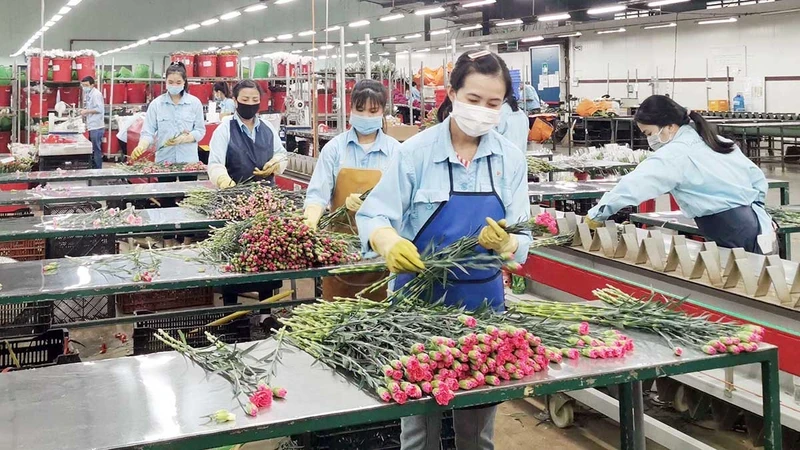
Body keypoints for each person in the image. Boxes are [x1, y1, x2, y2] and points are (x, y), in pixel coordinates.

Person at [356, 50, 532, 450]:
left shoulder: (509, 158)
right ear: (451, 94)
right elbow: (373, 215)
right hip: (419, 303)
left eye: (493, 104)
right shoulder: (415, 153)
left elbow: (524, 233)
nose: (482, 111)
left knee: (477, 424)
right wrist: (388, 240)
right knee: (419, 425)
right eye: (473, 100)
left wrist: (509, 242)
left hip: (482, 305)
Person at [585, 94, 775, 254]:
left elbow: (632, 186)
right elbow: (756, 178)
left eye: (648, 132)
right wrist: (756, 208)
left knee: (741, 288)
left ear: (670, 126)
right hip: (756, 223)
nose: (649, 139)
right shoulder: (716, 140)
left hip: (730, 231)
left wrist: (597, 214)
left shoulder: (674, 155)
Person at [304, 79, 400, 300]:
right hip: (340, 248)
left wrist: (376, 204)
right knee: (337, 316)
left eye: (373, 110)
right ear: (351, 109)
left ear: (383, 111)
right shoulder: (334, 149)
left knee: (378, 318)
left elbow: (402, 200)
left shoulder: (396, 152)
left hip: (379, 251)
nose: (366, 116)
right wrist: (310, 219)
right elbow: (317, 194)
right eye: (360, 109)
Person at [207, 79, 288, 305]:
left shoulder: (268, 129)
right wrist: (225, 181)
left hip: (265, 202)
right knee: (235, 254)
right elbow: (214, 164)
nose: (250, 104)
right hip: (235, 202)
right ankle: (231, 311)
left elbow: (282, 155)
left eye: (255, 100)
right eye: (245, 100)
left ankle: (265, 313)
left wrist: (275, 164)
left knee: (266, 255)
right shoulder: (225, 129)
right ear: (235, 101)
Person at [131, 62, 205, 163]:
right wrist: (141, 146)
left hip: (188, 161)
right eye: (170, 82)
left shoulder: (194, 103)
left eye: (178, 83)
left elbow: (200, 130)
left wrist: (185, 138)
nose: (174, 85)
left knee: (189, 180)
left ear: (184, 82)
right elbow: (148, 132)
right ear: (165, 81)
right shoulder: (156, 104)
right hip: (164, 160)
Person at [80, 76, 105, 169]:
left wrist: (86, 111)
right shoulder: (89, 93)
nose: (84, 87)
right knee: (93, 149)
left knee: (96, 149)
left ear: (92, 85)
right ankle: (94, 168)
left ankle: (98, 170)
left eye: (86, 85)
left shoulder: (96, 94)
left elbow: (99, 109)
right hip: (92, 126)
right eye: (83, 85)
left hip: (97, 127)